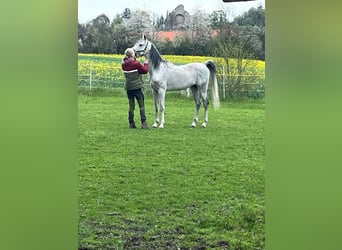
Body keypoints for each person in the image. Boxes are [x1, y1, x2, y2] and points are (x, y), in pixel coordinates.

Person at [121, 48, 149, 129]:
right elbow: (144, 71)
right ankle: (143, 123)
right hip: (137, 87)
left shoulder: (123, 65)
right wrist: (146, 63)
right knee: (141, 105)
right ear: (132, 54)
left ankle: (131, 123)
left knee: (131, 106)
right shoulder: (136, 64)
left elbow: (130, 65)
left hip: (129, 88)